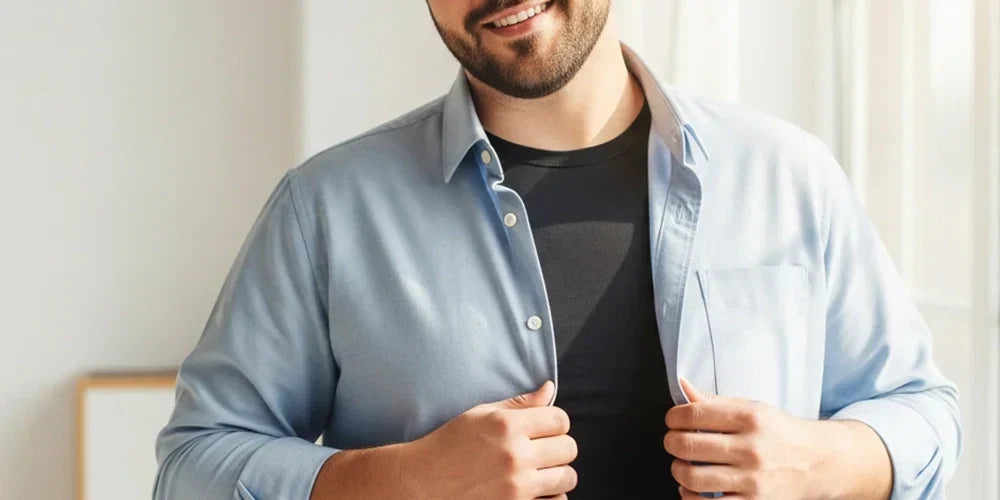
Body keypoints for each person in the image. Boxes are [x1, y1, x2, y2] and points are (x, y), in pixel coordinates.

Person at [153, 1, 963, 499]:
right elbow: (192, 467)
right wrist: (402, 483)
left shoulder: (789, 175)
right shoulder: (325, 209)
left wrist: (819, 462)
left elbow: (925, 412)